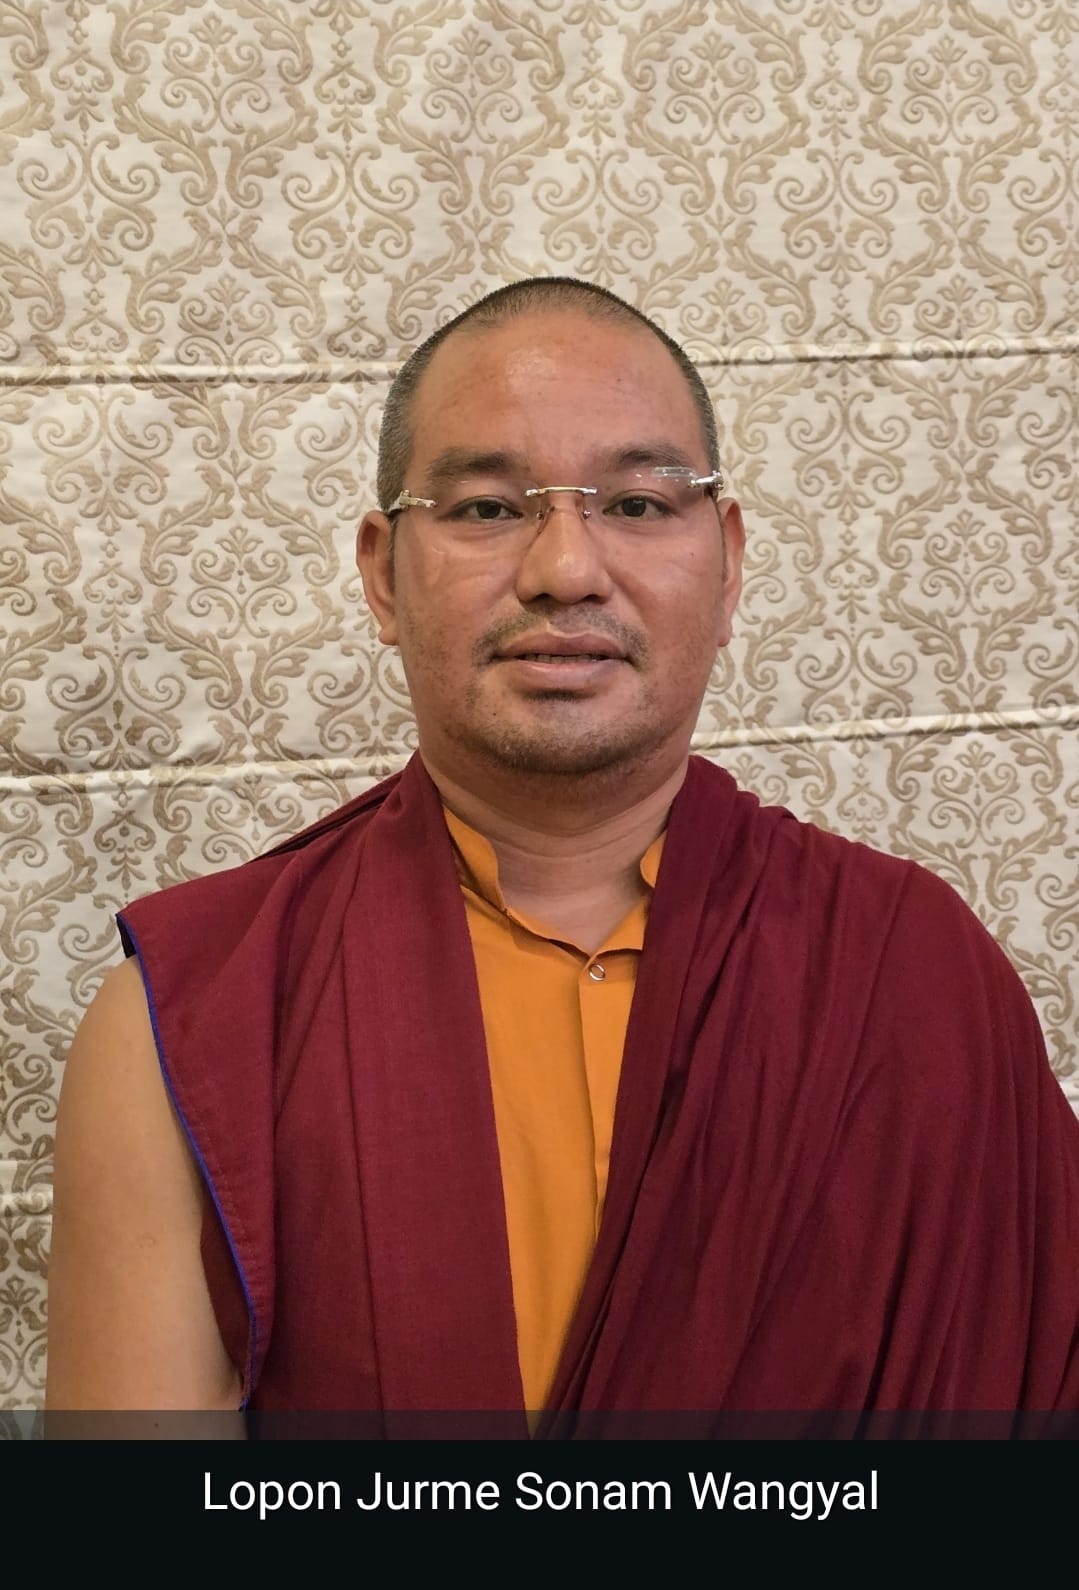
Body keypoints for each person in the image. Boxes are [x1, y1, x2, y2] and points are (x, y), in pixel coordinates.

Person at [46, 277, 1079, 1435]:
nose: (564, 568)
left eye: (637, 504)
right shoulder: (192, 1022)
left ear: (728, 565)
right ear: (382, 574)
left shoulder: (913, 972)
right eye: (487, 508)